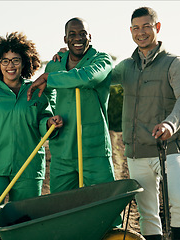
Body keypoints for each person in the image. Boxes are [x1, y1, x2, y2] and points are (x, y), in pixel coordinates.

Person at [0, 32, 63, 240]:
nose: (10, 65)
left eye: (16, 60)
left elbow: (43, 120)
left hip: (28, 167)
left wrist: (49, 123)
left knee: (25, 220)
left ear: (24, 62)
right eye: (5, 61)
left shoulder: (35, 91)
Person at [111, 7, 180, 240]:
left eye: (146, 26)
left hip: (168, 148)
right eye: (136, 28)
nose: (141, 32)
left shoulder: (174, 63)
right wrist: (68, 59)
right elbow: (101, 76)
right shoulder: (126, 66)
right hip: (136, 152)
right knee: (147, 211)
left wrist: (170, 124)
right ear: (130, 31)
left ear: (157, 28)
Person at [27, 17, 116, 196]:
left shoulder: (102, 60)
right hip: (62, 151)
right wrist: (49, 119)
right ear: (65, 39)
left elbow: (87, 77)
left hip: (94, 149)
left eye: (83, 34)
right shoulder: (55, 64)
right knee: (62, 207)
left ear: (90, 37)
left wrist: (49, 78)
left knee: (104, 204)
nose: (78, 38)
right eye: (72, 34)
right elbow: (47, 100)